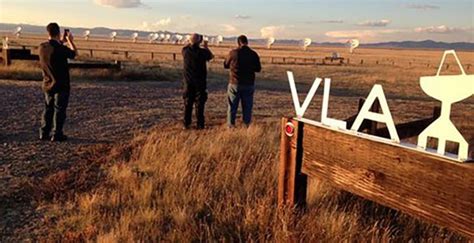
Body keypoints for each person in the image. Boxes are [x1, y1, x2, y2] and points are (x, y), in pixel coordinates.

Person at [38, 23, 77, 142]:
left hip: (47, 83)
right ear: (58, 32)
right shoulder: (60, 49)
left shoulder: (42, 47)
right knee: (59, 109)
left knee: (48, 108)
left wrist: (61, 41)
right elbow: (74, 54)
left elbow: (53, 47)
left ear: (48, 32)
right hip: (61, 84)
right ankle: (57, 134)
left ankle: (44, 132)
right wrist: (70, 41)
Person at [224, 35, 261, 128]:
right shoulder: (253, 54)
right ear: (247, 42)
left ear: (238, 42)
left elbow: (226, 64)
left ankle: (230, 125)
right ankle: (246, 125)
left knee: (232, 106)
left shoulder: (233, 53)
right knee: (247, 107)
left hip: (235, 83)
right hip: (248, 84)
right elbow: (258, 69)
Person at [181, 33, 214, 129]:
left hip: (188, 83)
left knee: (188, 104)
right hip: (200, 83)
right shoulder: (203, 52)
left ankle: (186, 124)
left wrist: (191, 41)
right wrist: (206, 46)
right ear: (200, 42)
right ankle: (200, 125)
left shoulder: (185, 51)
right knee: (199, 105)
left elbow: (186, 46)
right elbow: (211, 56)